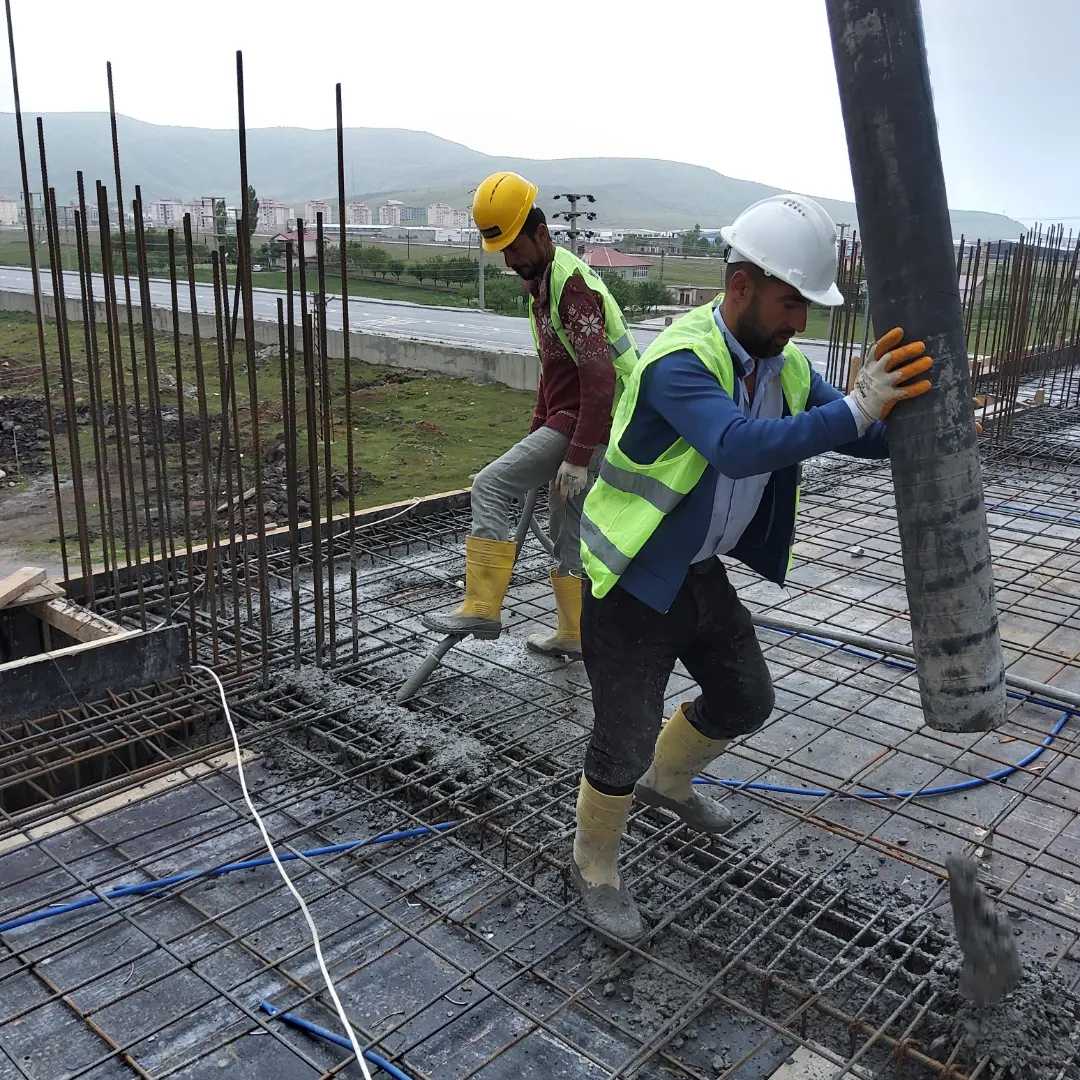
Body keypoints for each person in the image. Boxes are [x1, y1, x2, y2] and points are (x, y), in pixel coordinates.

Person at [569, 193, 934, 940]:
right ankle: (594, 864)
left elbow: (856, 435)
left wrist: (913, 413)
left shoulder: (783, 365)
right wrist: (858, 410)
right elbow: (735, 444)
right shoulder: (681, 360)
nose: (801, 322)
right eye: (790, 303)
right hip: (633, 579)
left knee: (745, 699)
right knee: (621, 738)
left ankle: (668, 785)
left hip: (697, 574)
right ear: (741, 288)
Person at [423, 171, 637, 657]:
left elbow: (600, 377)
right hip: (580, 420)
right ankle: (574, 633)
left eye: (515, 247)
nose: (510, 259)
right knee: (567, 530)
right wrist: (537, 432)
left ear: (542, 234)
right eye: (502, 251)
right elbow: (552, 367)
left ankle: (481, 604)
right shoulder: (540, 284)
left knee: (491, 484)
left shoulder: (571, 287)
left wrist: (577, 455)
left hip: (597, 420)